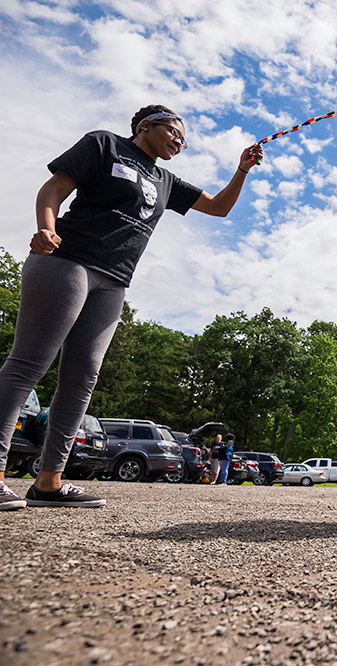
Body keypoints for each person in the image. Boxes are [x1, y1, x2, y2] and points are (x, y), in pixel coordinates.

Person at [0, 105, 263, 511]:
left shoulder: (166, 179)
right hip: (68, 261)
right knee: (28, 365)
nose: (180, 141)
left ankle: (48, 483)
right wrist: (46, 228)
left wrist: (242, 170)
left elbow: (218, 207)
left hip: (114, 281)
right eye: (175, 132)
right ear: (147, 125)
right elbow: (53, 190)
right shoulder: (104, 144)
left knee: (81, 376)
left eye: (184, 139)